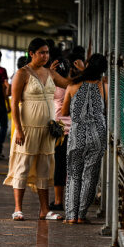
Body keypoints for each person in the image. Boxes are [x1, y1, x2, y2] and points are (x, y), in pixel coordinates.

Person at [4, 37, 74, 221]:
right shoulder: (22, 73)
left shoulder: (50, 73)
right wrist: (18, 129)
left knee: (45, 166)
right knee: (23, 164)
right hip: (27, 127)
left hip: (47, 128)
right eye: (41, 52)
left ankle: (45, 210)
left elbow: (68, 84)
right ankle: (18, 209)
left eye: (47, 52)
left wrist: (84, 73)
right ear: (31, 53)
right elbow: (14, 103)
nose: (45, 56)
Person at [61, 53, 108, 224]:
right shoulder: (104, 86)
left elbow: (64, 112)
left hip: (77, 135)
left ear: (87, 65)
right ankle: (81, 214)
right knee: (90, 175)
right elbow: (106, 110)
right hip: (98, 135)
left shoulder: (73, 86)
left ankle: (71, 215)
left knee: (74, 174)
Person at [50, 58, 72, 212]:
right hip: (75, 130)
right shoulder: (74, 85)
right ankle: (72, 199)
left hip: (59, 131)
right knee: (72, 167)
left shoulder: (54, 87)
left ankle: (58, 201)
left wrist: (50, 72)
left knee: (59, 166)